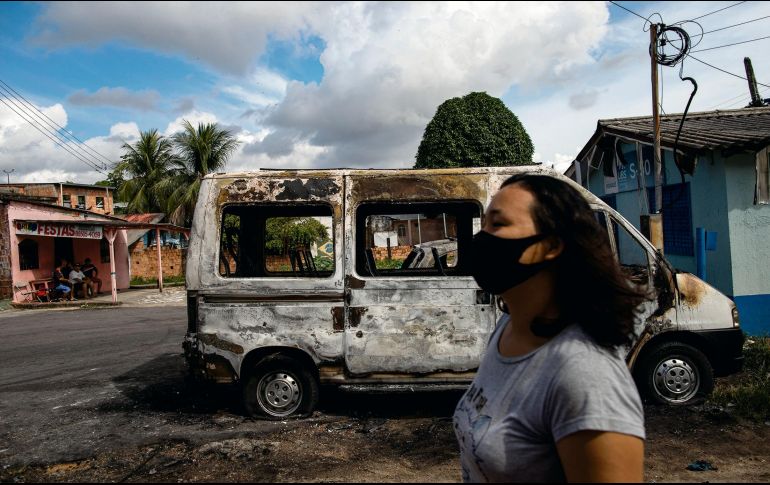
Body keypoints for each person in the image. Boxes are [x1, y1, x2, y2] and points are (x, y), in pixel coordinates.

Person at [454, 174, 649, 483]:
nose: (482, 239)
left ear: (551, 245)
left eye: (498, 225)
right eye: (484, 225)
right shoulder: (508, 331)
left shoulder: (585, 373)